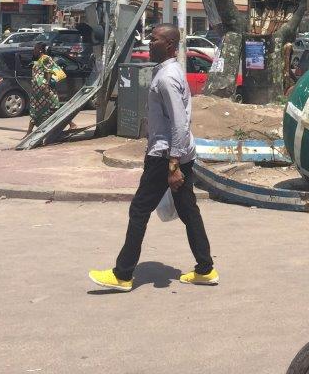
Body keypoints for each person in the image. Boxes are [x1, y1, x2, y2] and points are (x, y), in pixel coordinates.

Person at [89, 25, 216, 291]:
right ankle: (205, 269)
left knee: (139, 210)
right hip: (175, 154)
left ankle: (123, 274)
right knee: (188, 211)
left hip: (165, 156)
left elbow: (179, 123)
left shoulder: (167, 78)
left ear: (169, 44)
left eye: (155, 39)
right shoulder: (169, 71)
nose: (149, 42)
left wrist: (173, 165)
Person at [28, 41, 73, 133]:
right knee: (35, 110)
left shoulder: (46, 58)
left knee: (54, 108)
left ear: (40, 50)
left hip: (45, 90)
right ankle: (29, 133)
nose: (34, 50)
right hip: (37, 91)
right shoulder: (38, 60)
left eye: (35, 49)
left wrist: (46, 85)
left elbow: (48, 71)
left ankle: (71, 124)